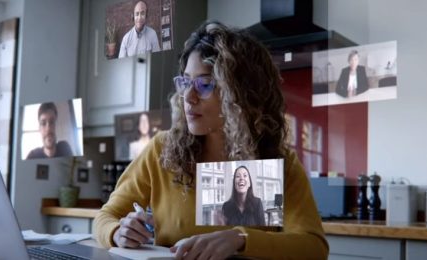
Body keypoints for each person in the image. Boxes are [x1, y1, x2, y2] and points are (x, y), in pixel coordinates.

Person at [93, 21, 328, 259]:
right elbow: (105, 217)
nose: (188, 97)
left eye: (204, 84)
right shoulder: (163, 149)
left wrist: (240, 238)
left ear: (241, 93)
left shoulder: (276, 160)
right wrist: (117, 232)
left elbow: (313, 247)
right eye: (185, 82)